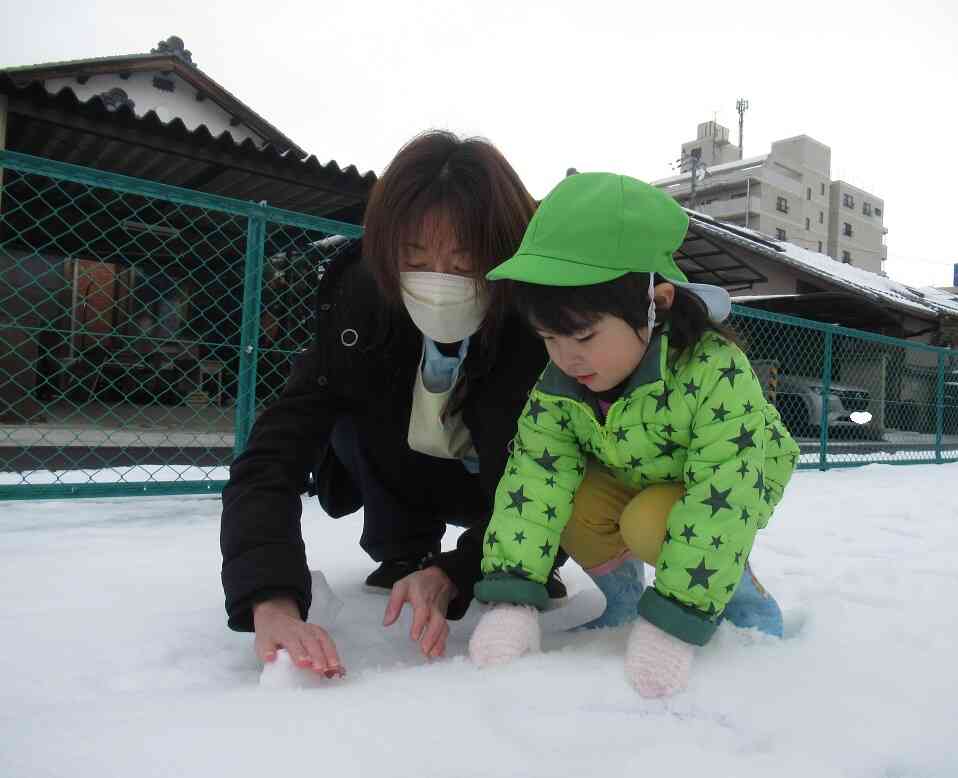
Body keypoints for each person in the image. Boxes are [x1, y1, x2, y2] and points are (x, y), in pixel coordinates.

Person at [220, 131, 566, 680]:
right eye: (416, 257)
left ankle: (512, 561)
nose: (439, 280)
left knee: (540, 492)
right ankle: (403, 547)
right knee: (346, 413)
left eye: (464, 261)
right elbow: (272, 454)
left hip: (501, 487)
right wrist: (271, 597)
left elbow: (561, 471)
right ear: (388, 253)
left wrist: (462, 570)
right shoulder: (361, 307)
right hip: (408, 473)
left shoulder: (539, 323)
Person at [467, 172, 800, 698]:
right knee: (567, 496)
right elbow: (532, 482)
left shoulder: (714, 371)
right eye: (547, 337)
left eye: (583, 335)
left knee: (649, 521)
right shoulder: (560, 382)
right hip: (641, 471)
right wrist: (513, 601)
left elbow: (724, 493)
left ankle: (742, 599)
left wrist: (674, 623)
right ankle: (622, 602)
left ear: (658, 303)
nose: (565, 357)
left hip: (734, 480)